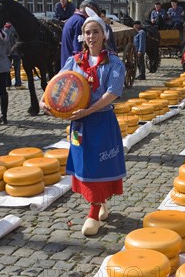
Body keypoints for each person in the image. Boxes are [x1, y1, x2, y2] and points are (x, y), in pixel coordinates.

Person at [42, 15, 126, 236]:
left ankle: (93, 212)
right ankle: (101, 204)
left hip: (101, 122)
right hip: (79, 125)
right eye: (88, 32)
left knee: (97, 166)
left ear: (104, 35)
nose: (91, 36)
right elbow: (58, 82)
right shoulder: (75, 61)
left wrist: (89, 110)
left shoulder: (114, 63)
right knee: (83, 165)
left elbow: (113, 92)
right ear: (83, 36)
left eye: (96, 32)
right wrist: (46, 100)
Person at [61, 0, 100, 67]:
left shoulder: (72, 19)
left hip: (67, 65)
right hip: (74, 69)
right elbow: (79, 50)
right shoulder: (81, 22)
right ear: (90, 8)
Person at [4, 22, 22, 88]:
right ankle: (18, 82)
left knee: (7, 68)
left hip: (7, 52)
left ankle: (8, 83)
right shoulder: (16, 28)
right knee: (17, 68)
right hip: (16, 51)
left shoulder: (4, 29)